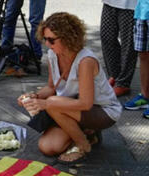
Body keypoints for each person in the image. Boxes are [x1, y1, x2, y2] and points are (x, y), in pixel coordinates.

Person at [19, 12, 121, 163]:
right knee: (48, 147)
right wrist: (35, 96)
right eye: (45, 39)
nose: (47, 44)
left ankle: (83, 145)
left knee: (53, 103)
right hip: (69, 107)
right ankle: (87, 133)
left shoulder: (85, 61)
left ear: (67, 38)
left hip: (102, 111)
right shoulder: (53, 54)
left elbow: (85, 103)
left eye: (51, 40)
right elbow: (51, 87)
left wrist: (47, 103)